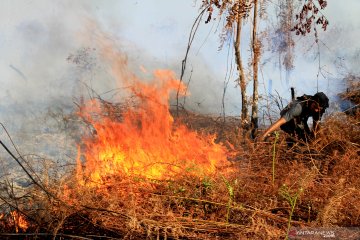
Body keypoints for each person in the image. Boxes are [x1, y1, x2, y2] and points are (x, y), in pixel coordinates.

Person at [260, 92, 329, 144]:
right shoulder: (298, 107)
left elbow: (316, 126)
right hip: (287, 121)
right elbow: (280, 121)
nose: (316, 110)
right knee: (296, 140)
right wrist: (264, 135)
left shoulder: (320, 109)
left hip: (301, 119)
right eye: (315, 107)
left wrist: (314, 140)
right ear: (311, 102)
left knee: (307, 139)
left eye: (319, 109)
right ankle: (273, 139)